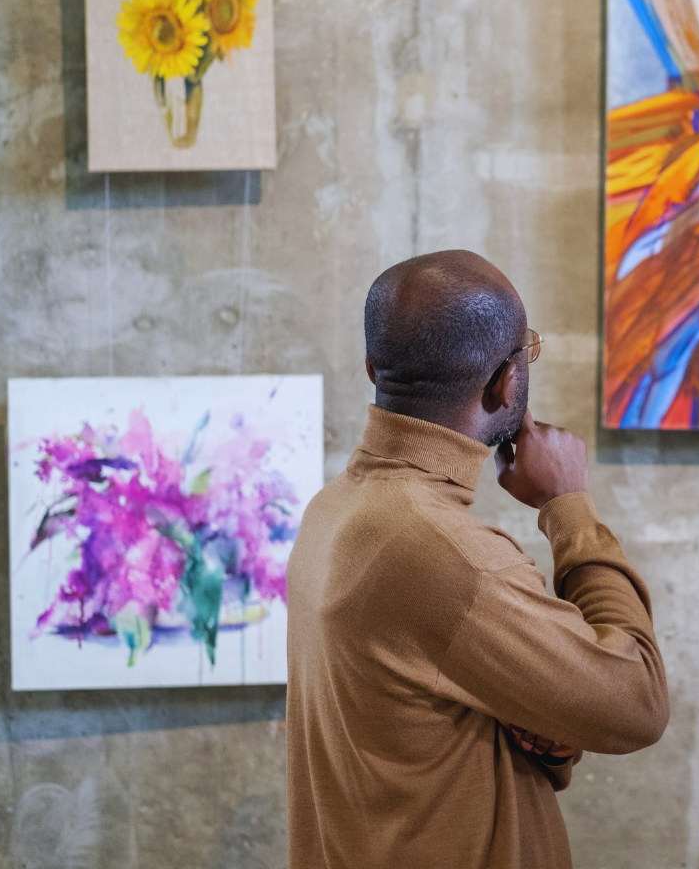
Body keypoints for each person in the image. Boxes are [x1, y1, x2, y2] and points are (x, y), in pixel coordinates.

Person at [286, 250, 669, 869]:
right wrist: (569, 507)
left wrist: (551, 726)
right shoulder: (454, 560)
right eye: (527, 353)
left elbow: (438, 718)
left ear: (371, 367)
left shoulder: (331, 510)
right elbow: (637, 703)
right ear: (506, 382)